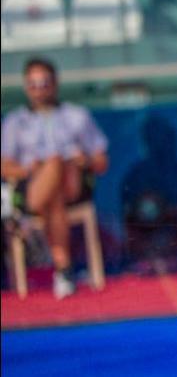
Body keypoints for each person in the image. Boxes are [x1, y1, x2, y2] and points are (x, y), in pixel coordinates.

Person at [1, 58, 109, 299]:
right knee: (54, 189)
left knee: (58, 164)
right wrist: (28, 170)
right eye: (33, 84)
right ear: (26, 86)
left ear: (55, 84)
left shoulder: (77, 116)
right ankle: (64, 270)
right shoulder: (14, 122)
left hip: (73, 184)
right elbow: (4, 165)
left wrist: (84, 161)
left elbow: (101, 161)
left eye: (44, 83)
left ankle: (30, 228)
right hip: (33, 187)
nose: (39, 90)